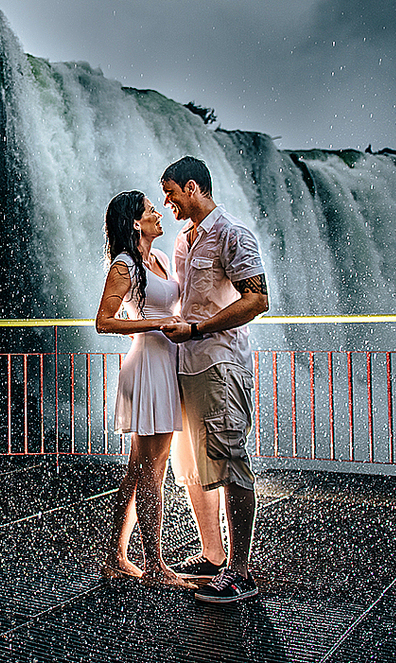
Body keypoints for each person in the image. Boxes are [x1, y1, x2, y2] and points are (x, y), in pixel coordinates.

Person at [160, 156, 270, 604]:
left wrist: (198, 329)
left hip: (220, 362)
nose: (167, 202)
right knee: (191, 468)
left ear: (192, 187)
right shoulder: (185, 241)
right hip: (186, 363)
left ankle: (240, 572)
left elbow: (258, 298)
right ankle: (212, 554)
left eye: (171, 193)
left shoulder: (232, 234)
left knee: (230, 460)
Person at [94, 190, 184, 585]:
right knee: (154, 469)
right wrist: (152, 324)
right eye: (150, 210)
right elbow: (104, 321)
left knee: (137, 472)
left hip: (164, 363)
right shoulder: (124, 265)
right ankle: (155, 566)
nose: (158, 213)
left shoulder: (160, 260)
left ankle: (115, 557)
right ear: (135, 222)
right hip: (147, 364)